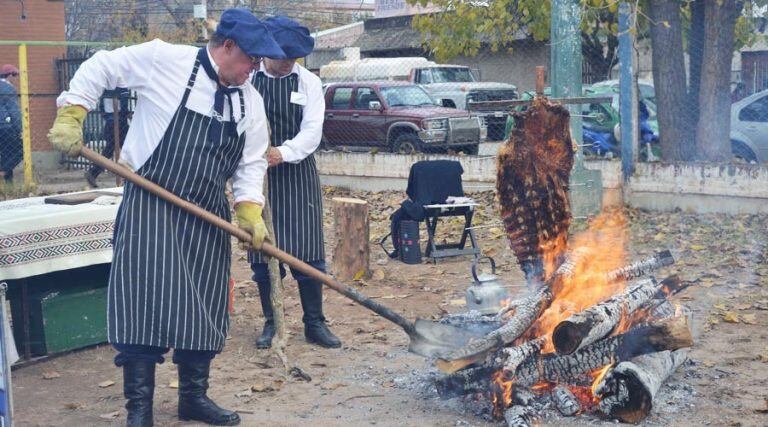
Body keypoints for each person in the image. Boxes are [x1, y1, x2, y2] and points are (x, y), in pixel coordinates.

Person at [47, 8, 282, 426]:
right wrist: (74, 111)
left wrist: (248, 209)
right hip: (149, 205)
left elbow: (250, 163)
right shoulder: (164, 60)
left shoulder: (251, 100)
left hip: (207, 213)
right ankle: (140, 410)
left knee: (203, 305)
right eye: (251, 59)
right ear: (227, 46)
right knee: (142, 305)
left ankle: (194, 397)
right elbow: (101, 65)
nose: (255, 69)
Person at [249, 16, 341, 349]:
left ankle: (314, 323)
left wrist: (283, 153)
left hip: (298, 172)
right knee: (263, 254)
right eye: (280, 55)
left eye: (293, 56)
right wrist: (256, 156)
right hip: (256, 177)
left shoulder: (308, 83)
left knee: (308, 253)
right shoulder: (249, 78)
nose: (286, 61)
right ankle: (272, 323)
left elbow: (312, 132)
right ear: (266, 51)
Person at [85, 87, 132, 187]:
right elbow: (124, 106)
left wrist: (108, 117)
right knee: (128, 149)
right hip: (120, 122)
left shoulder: (105, 89)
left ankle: (93, 172)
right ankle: (132, 177)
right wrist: (125, 115)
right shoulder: (122, 88)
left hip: (110, 122)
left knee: (110, 150)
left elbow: (102, 108)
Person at [0, 64, 22, 184]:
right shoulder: (9, 89)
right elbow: (14, 111)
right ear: (9, 76)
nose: (16, 79)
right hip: (5, 125)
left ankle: (9, 183)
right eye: (15, 76)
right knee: (20, 150)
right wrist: (20, 129)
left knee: (5, 153)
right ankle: (2, 172)